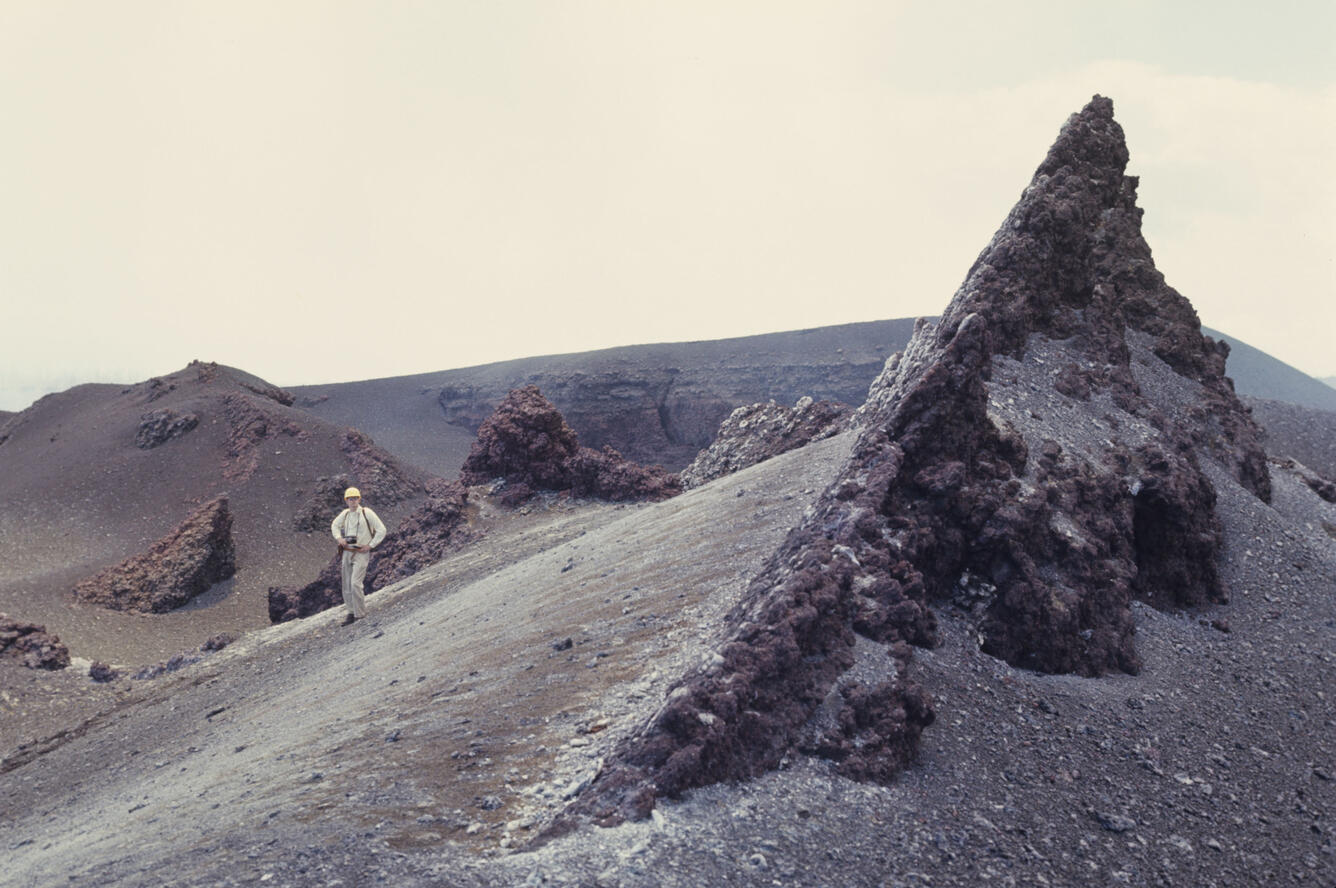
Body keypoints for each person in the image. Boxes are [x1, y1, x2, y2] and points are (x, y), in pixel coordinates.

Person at [330, 487, 387, 625]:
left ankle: (360, 614)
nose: (353, 501)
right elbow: (334, 525)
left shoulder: (367, 513)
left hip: (361, 552)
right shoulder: (345, 514)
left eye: (355, 498)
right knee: (347, 583)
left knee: (355, 583)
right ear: (346, 501)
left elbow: (381, 530)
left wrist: (370, 545)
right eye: (350, 499)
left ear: (359, 499)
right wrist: (339, 539)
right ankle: (351, 612)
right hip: (347, 551)